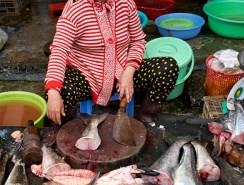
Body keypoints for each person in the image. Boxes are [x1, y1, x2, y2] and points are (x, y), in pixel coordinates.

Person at [44, 0, 179, 125]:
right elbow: (59, 51)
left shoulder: (126, 3)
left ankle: (145, 120)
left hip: (122, 71)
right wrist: (53, 92)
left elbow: (138, 41)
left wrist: (129, 71)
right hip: (87, 76)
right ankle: (66, 130)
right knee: (59, 93)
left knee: (168, 67)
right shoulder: (74, 9)